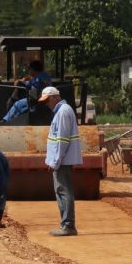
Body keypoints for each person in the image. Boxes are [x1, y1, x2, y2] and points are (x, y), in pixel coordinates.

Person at [39, 86, 82, 236]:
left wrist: (55, 161)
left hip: (62, 161)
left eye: (47, 100)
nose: (46, 104)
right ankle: (66, 224)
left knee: (64, 191)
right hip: (61, 160)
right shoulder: (62, 111)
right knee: (62, 190)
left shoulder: (63, 112)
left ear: (55, 97)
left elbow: (62, 141)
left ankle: (68, 225)